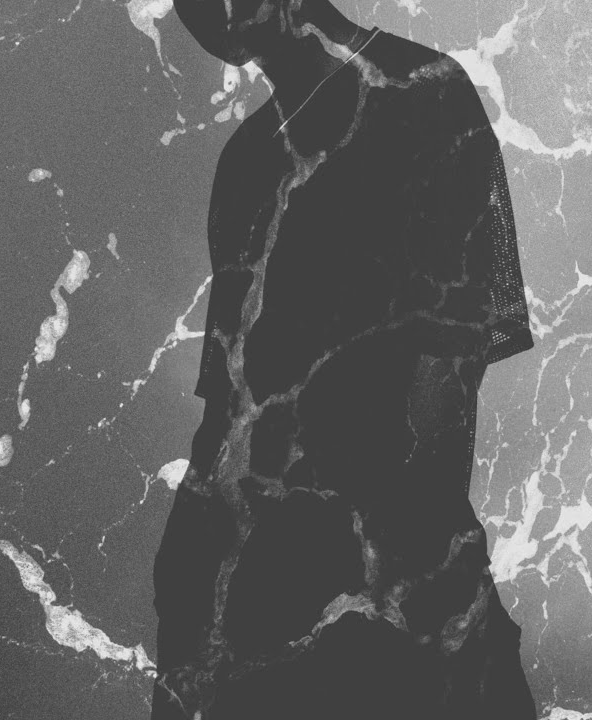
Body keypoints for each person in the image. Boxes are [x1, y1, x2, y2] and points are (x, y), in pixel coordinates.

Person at [152, 1, 536, 717]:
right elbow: (228, 405)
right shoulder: (248, 160)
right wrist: (188, 577)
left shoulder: (423, 92)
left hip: (389, 562)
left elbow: (453, 360)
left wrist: (410, 572)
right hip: (271, 578)